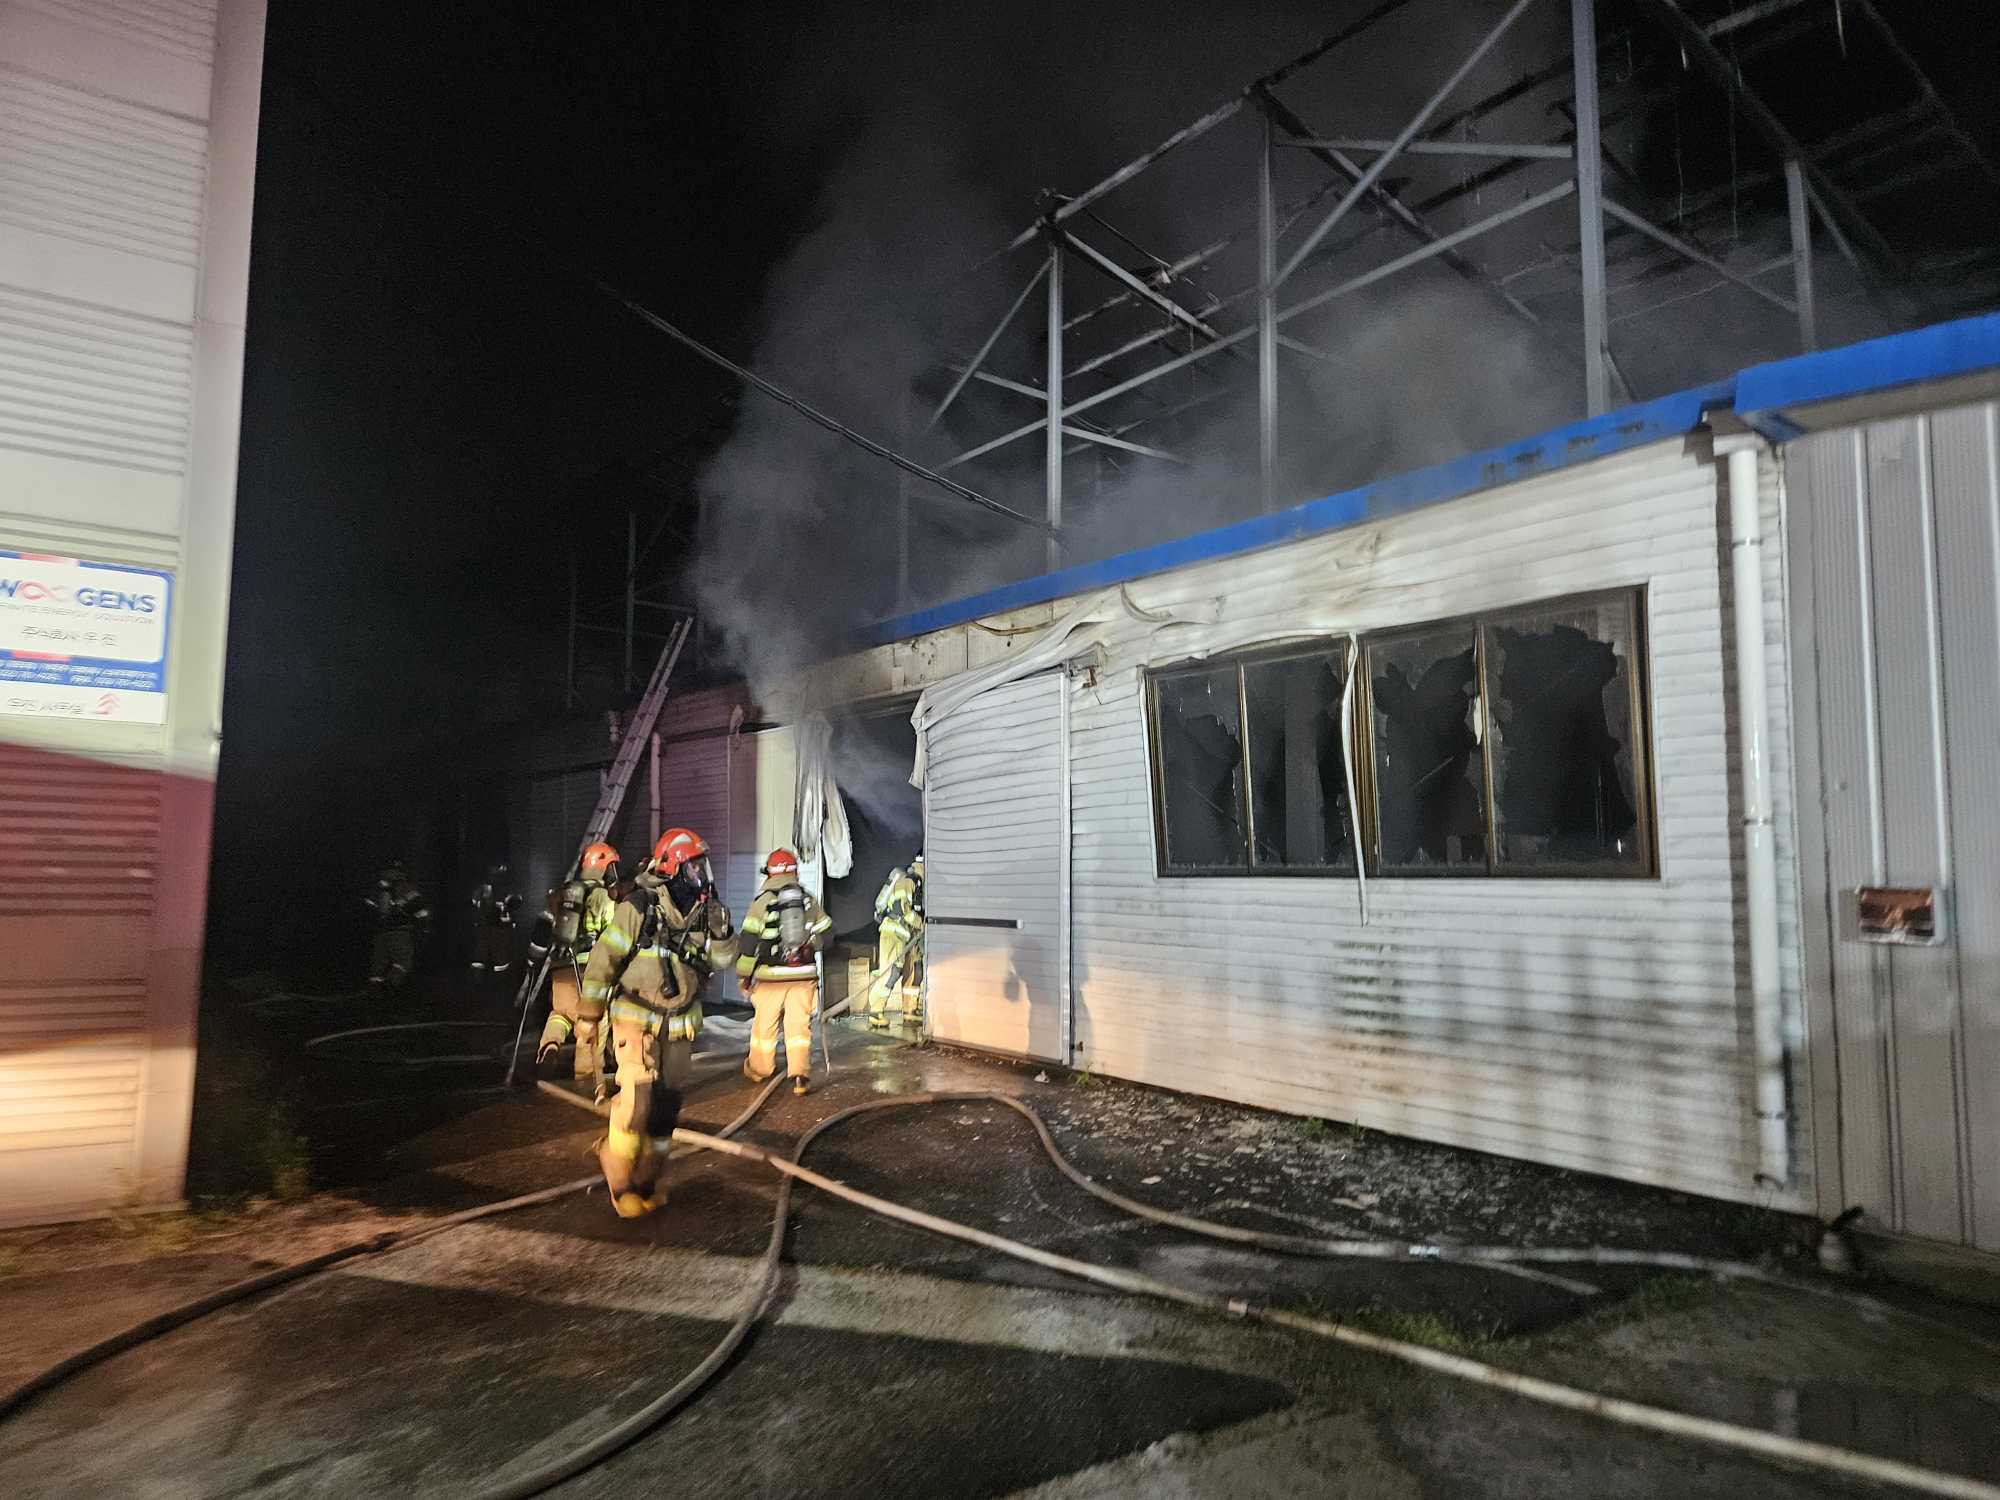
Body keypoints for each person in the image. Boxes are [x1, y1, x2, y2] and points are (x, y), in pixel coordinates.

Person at [577, 828, 736, 1218]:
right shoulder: (640, 906)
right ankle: (620, 1182)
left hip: (679, 1024)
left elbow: (722, 962)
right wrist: (588, 1016)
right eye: (693, 867)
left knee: (666, 1109)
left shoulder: (705, 911)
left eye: (703, 867)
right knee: (638, 1103)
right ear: (672, 870)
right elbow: (603, 960)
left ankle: (646, 1182)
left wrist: (722, 931)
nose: (701, 876)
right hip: (636, 1020)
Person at [736, 847, 833, 1095]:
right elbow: (829, 935)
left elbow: (748, 943)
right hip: (803, 976)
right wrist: (810, 946)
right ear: (795, 872)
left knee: (765, 1026)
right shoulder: (809, 900)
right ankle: (799, 1075)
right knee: (798, 1026)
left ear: (769, 873)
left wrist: (744, 976)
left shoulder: (762, 902)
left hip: (770, 978)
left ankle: (760, 1069)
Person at [529, 842, 620, 1085]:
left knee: (560, 1014)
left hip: (560, 969)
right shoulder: (603, 897)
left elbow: (544, 928)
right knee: (590, 1024)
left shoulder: (563, 893)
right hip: (590, 971)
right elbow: (613, 936)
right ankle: (585, 1079)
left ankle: (549, 1048)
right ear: (604, 868)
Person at [867, 851, 924, 1029]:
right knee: (891, 972)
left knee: (915, 971)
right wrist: (921, 923)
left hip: (910, 935)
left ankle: (910, 1010)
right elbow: (901, 907)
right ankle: (876, 1011)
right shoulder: (908, 881)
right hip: (894, 932)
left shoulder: (921, 884)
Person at [366, 860, 430, 992]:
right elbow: (419, 909)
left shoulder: (377, 888)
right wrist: (424, 926)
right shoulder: (406, 887)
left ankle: (374, 991)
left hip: (379, 933)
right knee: (403, 961)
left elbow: (369, 909)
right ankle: (390, 986)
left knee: (379, 963)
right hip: (400, 932)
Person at [467, 863, 521, 986]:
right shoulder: (483, 889)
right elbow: (474, 903)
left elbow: (516, 903)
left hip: (499, 930)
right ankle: (478, 983)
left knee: (498, 960)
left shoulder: (508, 891)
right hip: (487, 928)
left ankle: (497, 984)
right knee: (482, 957)